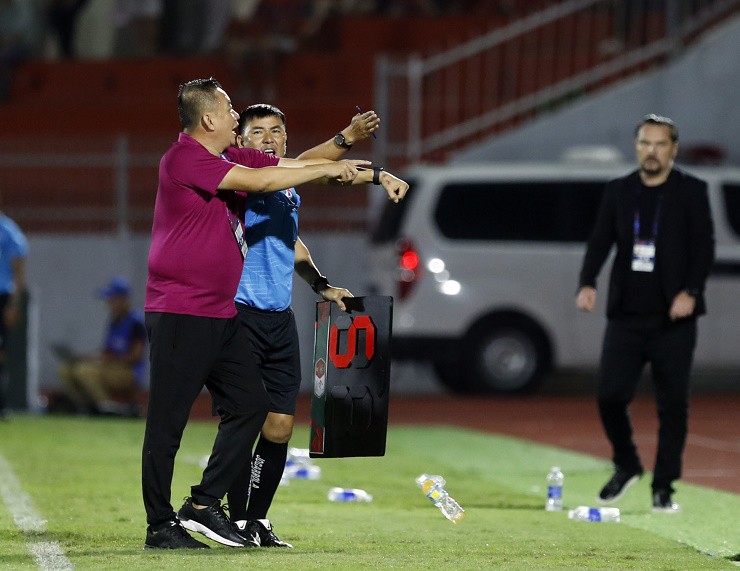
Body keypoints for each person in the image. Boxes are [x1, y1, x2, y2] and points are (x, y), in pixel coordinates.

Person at [142, 76, 402, 550]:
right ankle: (161, 525)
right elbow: (272, 177)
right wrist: (344, 158)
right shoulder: (186, 158)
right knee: (168, 423)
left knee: (253, 406)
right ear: (210, 120)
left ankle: (207, 507)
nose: (235, 114)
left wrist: (367, 170)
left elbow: (295, 166)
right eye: (229, 109)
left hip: (223, 314)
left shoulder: (231, 159)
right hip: (183, 309)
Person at [225, 103, 403, 548]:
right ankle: (234, 519)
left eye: (276, 131)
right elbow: (316, 168)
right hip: (239, 316)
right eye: (257, 131)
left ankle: (257, 520)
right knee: (244, 421)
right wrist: (360, 153)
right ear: (240, 141)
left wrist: (321, 285)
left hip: (278, 318)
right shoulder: (240, 177)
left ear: (286, 139)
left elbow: (293, 242)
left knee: (281, 426)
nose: (268, 138)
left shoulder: (287, 185)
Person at [576, 114, 715, 513]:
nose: (651, 151)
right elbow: (600, 240)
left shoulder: (692, 190)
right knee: (609, 396)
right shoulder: (619, 190)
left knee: (672, 405)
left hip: (673, 319)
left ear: (673, 149)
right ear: (636, 147)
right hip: (626, 316)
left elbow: (704, 246)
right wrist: (587, 281)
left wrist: (690, 291)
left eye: (659, 144)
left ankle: (664, 487)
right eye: (644, 143)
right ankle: (628, 464)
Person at [58, 275, 146, 416]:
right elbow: (107, 352)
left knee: (85, 372)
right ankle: (85, 408)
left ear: (124, 299)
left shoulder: (136, 322)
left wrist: (107, 361)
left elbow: (135, 356)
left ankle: (108, 408)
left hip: (129, 372)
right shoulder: (114, 322)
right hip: (109, 366)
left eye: (112, 299)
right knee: (66, 370)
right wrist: (87, 358)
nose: (108, 303)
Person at [0, 208, 27, 419]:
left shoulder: (8, 231)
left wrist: (15, 304)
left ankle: (1, 402)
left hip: (2, 297)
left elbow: (18, 269)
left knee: (1, 351)